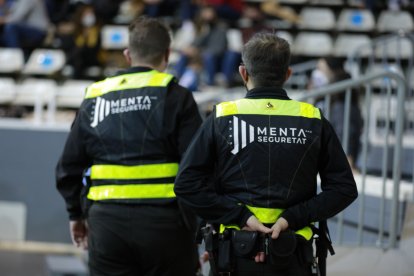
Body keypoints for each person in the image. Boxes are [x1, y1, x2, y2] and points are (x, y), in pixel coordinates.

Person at [174, 33, 358, 276]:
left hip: (234, 257)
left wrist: (240, 216)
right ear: (288, 74)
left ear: (243, 73)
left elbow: (187, 185)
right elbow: (344, 189)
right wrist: (292, 218)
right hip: (293, 255)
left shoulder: (221, 117)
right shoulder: (312, 119)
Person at [56, 16, 202, 276]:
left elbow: (68, 167)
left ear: (127, 54)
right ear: (167, 54)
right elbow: (197, 166)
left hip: (106, 225)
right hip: (166, 226)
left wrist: (75, 215)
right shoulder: (177, 96)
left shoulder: (96, 96)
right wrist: (200, 225)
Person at [309, 57, 363, 172]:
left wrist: (348, 164)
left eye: (321, 69)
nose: (317, 74)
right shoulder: (336, 101)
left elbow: (345, 133)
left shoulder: (341, 106)